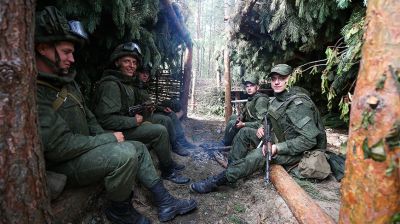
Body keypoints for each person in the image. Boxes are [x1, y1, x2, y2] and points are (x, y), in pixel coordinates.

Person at [35, 6, 197, 223]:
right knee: (126, 153)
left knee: (137, 148)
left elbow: (90, 118)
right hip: (64, 164)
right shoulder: (34, 92)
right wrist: (108, 138)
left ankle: (165, 201)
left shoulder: (67, 82)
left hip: (85, 148)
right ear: (43, 48)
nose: (72, 59)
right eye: (66, 52)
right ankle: (119, 211)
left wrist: (105, 138)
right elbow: (58, 148)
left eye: (72, 52)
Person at [190, 64, 327, 193]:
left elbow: (309, 140)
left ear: (290, 79)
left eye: (282, 78)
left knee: (258, 154)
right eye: (274, 79)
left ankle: (219, 180)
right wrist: (263, 126)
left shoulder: (298, 104)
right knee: (244, 132)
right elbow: (271, 118)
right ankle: (233, 167)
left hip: (300, 152)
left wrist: (277, 148)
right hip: (282, 140)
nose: (277, 82)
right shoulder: (279, 99)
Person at [92, 42, 190, 184]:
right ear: (117, 62)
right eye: (127, 61)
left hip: (125, 125)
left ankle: (168, 161)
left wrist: (145, 109)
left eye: (134, 62)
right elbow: (105, 120)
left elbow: (129, 108)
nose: (132, 65)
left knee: (164, 120)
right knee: (160, 131)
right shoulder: (111, 84)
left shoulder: (126, 82)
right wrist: (133, 121)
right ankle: (167, 171)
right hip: (113, 132)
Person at [136, 64, 196, 150]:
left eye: (147, 73)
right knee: (166, 119)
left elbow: (149, 104)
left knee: (171, 113)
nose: (145, 75)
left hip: (148, 113)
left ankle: (182, 141)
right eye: (143, 73)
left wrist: (162, 108)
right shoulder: (135, 87)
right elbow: (141, 106)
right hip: (142, 117)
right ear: (137, 73)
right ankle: (175, 145)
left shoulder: (143, 87)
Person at [222, 76, 269, 146]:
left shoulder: (260, 100)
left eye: (252, 86)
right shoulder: (252, 98)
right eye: (247, 86)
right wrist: (240, 117)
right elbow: (245, 112)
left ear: (257, 87)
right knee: (233, 117)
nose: (249, 88)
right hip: (251, 122)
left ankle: (226, 144)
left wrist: (243, 124)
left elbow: (262, 122)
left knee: (232, 123)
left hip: (258, 127)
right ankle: (231, 140)